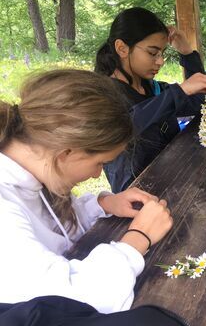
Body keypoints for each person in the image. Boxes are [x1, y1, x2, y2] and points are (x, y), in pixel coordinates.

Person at [0, 69, 173, 313]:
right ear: (66, 152)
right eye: (99, 163)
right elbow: (73, 301)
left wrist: (103, 205)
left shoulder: (32, 167)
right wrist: (138, 239)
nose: (96, 175)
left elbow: (51, 230)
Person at [95, 7, 206, 192]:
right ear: (122, 48)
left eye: (162, 53)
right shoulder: (103, 96)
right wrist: (178, 92)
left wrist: (187, 54)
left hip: (174, 177)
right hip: (139, 195)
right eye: (153, 53)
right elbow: (125, 126)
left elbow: (196, 105)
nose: (160, 61)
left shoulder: (153, 88)